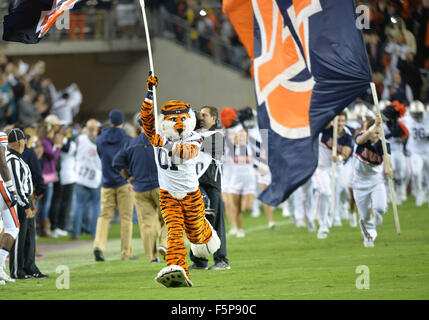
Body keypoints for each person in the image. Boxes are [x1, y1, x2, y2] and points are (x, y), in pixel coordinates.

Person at [113, 116, 167, 263]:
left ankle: (152, 256)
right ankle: (164, 244)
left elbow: (116, 162)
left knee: (147, 224)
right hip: (160, 186)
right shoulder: (160, 141)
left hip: (140, 188)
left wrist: (128, 176)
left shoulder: (131, 144)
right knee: (169, 218)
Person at [189, 106, 230, 270]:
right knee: (195, 223)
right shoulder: (192, 135)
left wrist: (187, 134)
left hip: (211, 184)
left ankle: (221, 260)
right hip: (194, 185)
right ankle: (199, 260)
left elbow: (203, 146)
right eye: (199, 115)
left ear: (214, 119)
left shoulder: (217, 135)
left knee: (215, 222)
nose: (201, 118)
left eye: (205, 115)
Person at [93, 110, 135, 261]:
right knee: (126, 218)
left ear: (110, 121)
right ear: (122, 122)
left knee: (104, 216)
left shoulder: (100, 138)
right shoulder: (126, 139)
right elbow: (129, 160)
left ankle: (98, 246)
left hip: (107, 182)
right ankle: (126, 252)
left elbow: (100, 155)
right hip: (124, 182)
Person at [6, 129, 48, 279]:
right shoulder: (12, 160)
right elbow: (17, 187)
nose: (26, 143)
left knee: (29, 236)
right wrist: (26, 205)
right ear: (20, 142)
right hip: (19, 202)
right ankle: (17, 270)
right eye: (25, 140)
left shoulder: (17, 159)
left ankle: (30, 267)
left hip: (25, 199)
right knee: (20, 236)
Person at [352, 115, 393, 248]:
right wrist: (373, 126)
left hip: (376, 181)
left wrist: (389, 169)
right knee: (364, 214)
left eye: (378, 133)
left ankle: (377, 214)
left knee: (380, 207)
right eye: (374, 132)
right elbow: (360, 140)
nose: (375, 135)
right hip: (359, 183)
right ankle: (369, 237)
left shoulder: (385, 144)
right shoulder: (362, 137)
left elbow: (387, 160)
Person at [313, 112, 353, 239]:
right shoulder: (326, 129)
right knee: (325, 193)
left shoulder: (347, 134)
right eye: (338, 120)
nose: (340, 123)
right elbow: (321, 121)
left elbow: (347, 151)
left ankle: (335, 214)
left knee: (339, 192)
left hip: (337, 167)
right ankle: (323, 223)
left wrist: (339, 157)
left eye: (342, 121)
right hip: (321, 167)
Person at [71, 119, 102, 239]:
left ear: (86, 128)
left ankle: (75, 233)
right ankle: (94, 233)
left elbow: (74, 153)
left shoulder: (79, 139)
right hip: (95, 177)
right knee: (95, 206)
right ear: (97, 129)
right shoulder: (100, 141)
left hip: (81, 176)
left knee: (78, 205)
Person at [37, 114, 63, 237]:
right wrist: (57, 145)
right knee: (44, 203)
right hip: (45, 176)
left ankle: (44, 228)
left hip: (49, 175)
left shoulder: (48, 140)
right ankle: (43, 229)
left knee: (46, 203)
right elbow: (54, 156)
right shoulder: (45, 141)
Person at [0, 130, 18, 284]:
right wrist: (10, 187)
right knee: (13, 227)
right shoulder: (1, 136)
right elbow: (2, 163)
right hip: (0, 185)